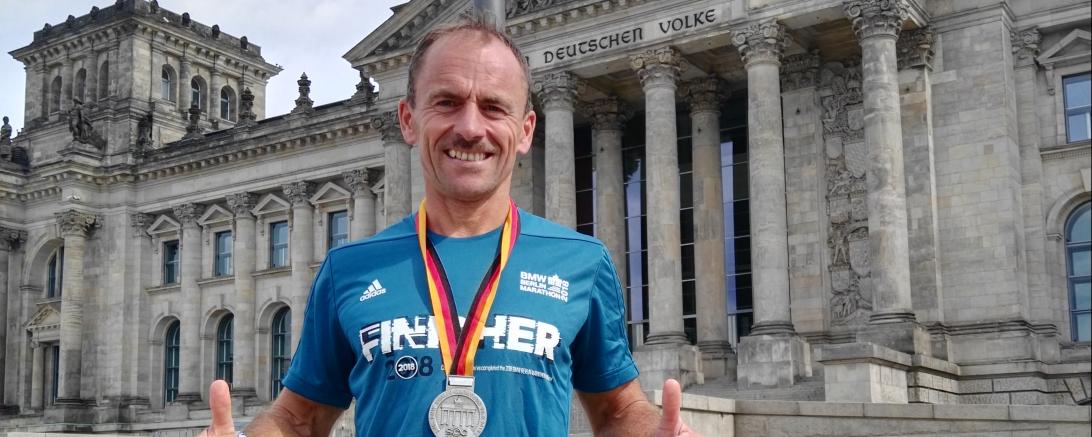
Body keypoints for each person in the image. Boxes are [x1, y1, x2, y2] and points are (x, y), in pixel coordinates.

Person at [200, 15, 700, 437]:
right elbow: (298, 419)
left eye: (493, 107)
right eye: (447, 102)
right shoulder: (349, 269)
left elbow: (617, 410)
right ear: (407, 119)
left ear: (525, 130)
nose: (470, 127)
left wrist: (654, 430)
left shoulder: (582, 263)